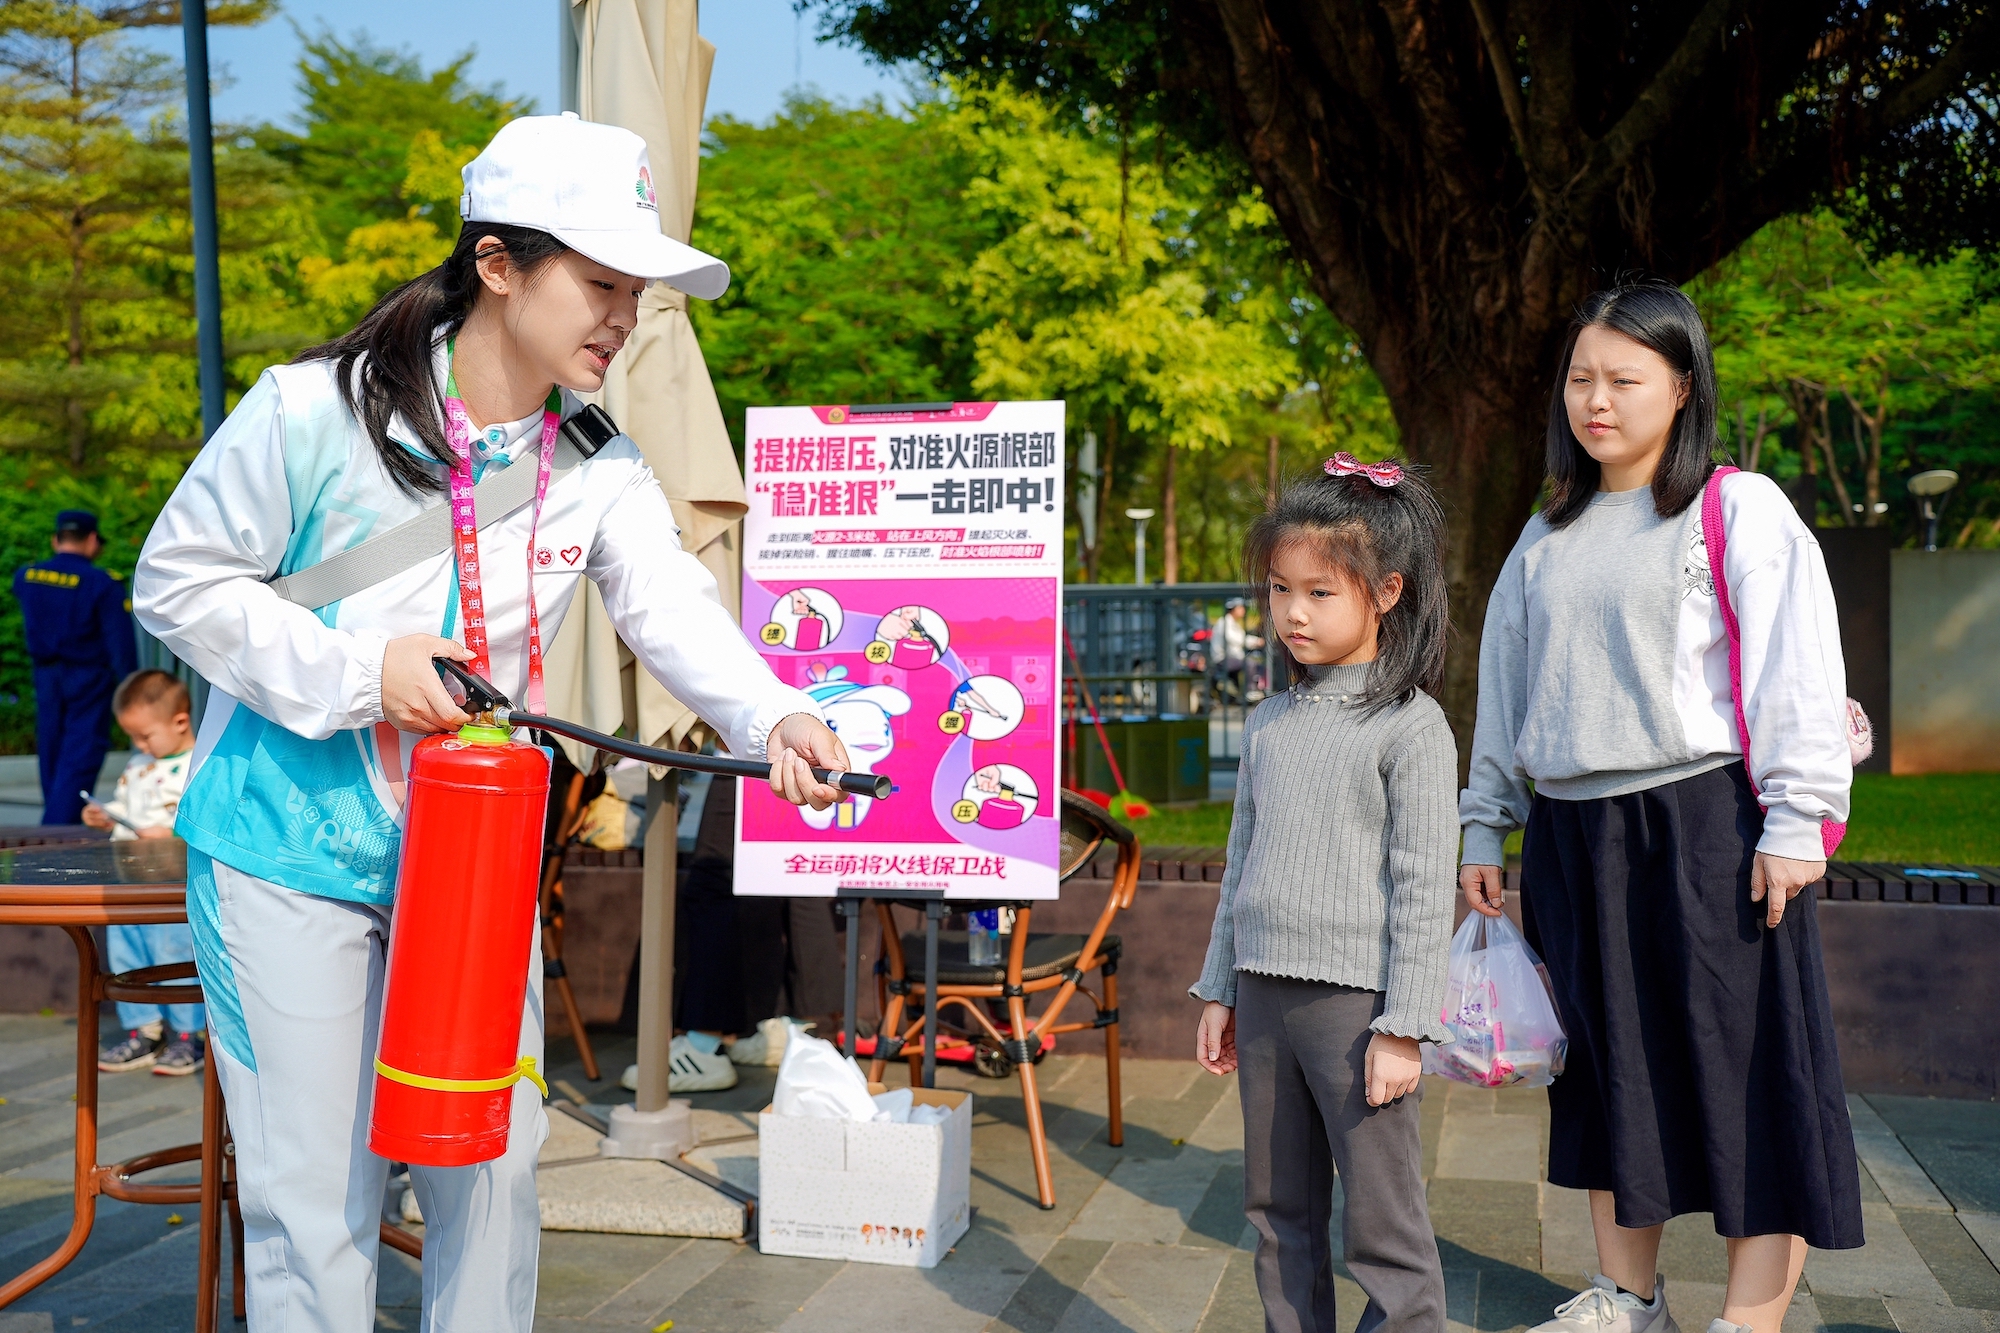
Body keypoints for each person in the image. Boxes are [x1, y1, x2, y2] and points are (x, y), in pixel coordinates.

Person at [132, 114, 849, 1333]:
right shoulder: (312, 411)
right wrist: (362, 671)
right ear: (499, 265)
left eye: (636, 292)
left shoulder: (598, 460)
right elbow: (177, 581)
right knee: (315, 1197)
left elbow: (669, 604)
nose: (624, 317)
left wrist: (776, 712)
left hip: (468, 854)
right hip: (283, 846)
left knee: (492, 1167)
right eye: (602, 283)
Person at [1458, 283, 1862, 1333]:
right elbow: (1506, 687)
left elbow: (1796, 667)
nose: (1596, 401)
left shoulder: (1738, 507)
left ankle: (1746, 1319)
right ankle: (1626, 1297)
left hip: (1704, 831)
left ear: (1682, 387)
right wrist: (1483, 819)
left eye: (1623, 380)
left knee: (1746, 1075)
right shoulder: (1546, 532)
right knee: (1604, 1074)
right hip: (1570, 836)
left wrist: (1796, 820)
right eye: (1579, 379)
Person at [1192, 453, 1458, 1333]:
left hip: (1358, 1011)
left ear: (1385, 592)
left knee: (1384, 1223)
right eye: (1279, 590)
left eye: (1318, 592)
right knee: (1277, 1212)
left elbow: (1423, 890)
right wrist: (1220, 987)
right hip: (1264, 995)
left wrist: (1403, 1026)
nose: (1292, 613)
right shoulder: (1269, 722)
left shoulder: (1412, 726)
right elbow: (1240, 861)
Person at [85, 669, 205, 1074]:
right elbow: (126, 807)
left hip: (171, 886)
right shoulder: (138, 764)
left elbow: (204, 820)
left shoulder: (197, 765)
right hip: (128, 882)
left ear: (180, 722)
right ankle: (144, 1030)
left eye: (145, 736)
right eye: (132, 737)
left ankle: (189, 1035)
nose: (139, 745)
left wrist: (170, 833)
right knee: (127, 956)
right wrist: (106, 816)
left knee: (175, 955)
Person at [12, 509, 136, 825]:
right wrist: (132, 689)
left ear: (56, 539)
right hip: (88, 677)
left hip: (45, 676)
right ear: (92, 540)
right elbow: (119, 644)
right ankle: (56, 831)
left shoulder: (27, 576)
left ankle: (55, 822)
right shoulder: (102, 583)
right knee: (80, 754)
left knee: (52, 754)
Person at [1209, 596, 1264, 702]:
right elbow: (1236, 639)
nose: (1243, 610)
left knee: (1255, 662)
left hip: (1231, 658)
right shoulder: (1224, 622)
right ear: (1233, 609)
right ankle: (1250, 691)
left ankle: (1246, 693)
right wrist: (1256, 641)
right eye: (1241, 607)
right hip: (1222, 659)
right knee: (1250, 664)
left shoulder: (1231, 622)